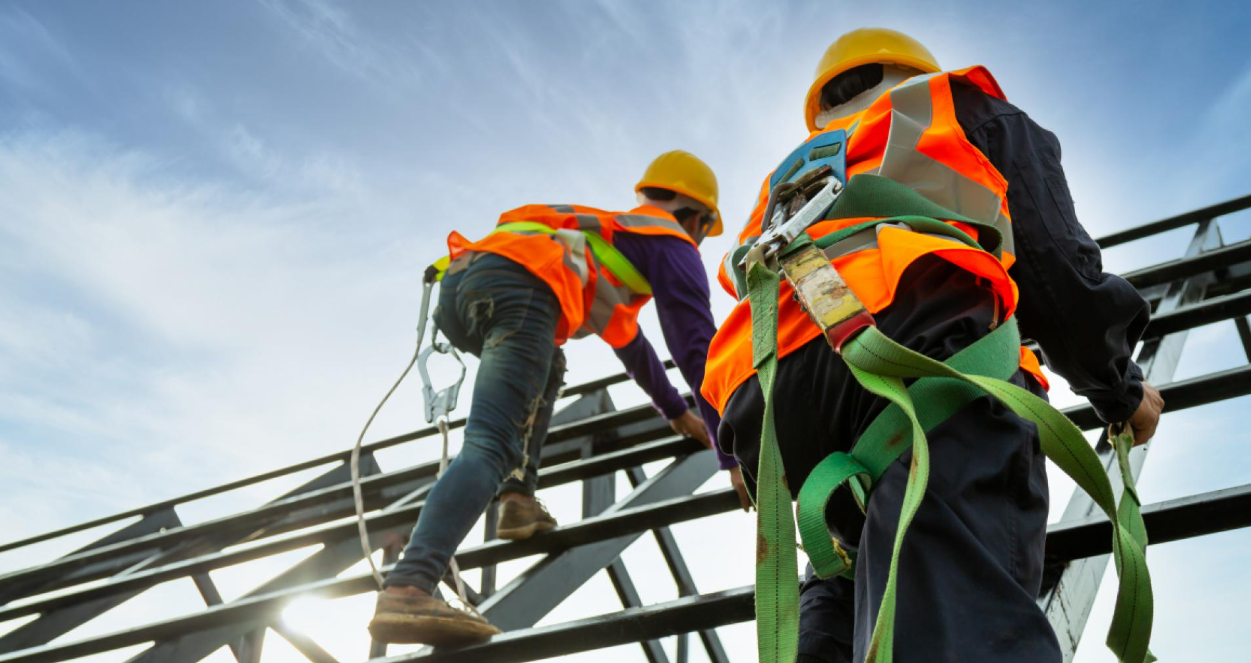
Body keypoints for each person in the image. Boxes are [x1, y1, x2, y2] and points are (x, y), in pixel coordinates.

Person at [702, 29, 1166, 662]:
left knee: (844, 591)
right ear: (912, 70)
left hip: (767, 402)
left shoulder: (790, 179)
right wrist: (1119, 388)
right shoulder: (953, 104)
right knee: (953, 621)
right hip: (922, 347)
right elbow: (1055, 266)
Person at [368, 150, 749, 646]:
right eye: (702, 230)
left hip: (463, 287)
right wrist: (733, 451)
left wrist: (676, 411)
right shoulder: (671, 242)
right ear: (696, 216)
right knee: (490, 444)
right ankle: (410, 585)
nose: (698, 241)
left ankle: (517, 497)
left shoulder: (604, 240)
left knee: (549, 363)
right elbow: (697, 348)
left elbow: (633, 347)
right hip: (521, 289)